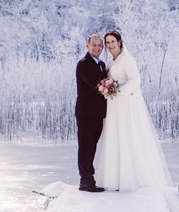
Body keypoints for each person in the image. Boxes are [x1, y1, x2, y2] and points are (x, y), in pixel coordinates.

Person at [94, 30, 173, 193]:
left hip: (126, 103)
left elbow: (135, 80)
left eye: (112, 42)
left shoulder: (126, 59)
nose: (109, 45)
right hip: (114, 104)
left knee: (127, 136)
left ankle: (131, 178)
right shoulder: (111, 60)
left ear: (120, 42)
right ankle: (115, 178)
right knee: (116, 137)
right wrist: (108, 89)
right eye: (107, 43)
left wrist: (119, 91)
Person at [74, 33, 108, 192]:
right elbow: (96, 85)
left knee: (92, 146)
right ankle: (85, 181)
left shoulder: (101, 64)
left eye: (100, 45)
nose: (97, 48)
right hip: (86, 112)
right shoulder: (84, 64)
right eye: (94, 45)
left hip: (98, 113)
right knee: (86, 146)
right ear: (87, 46)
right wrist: (114, 89)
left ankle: (90, 179)